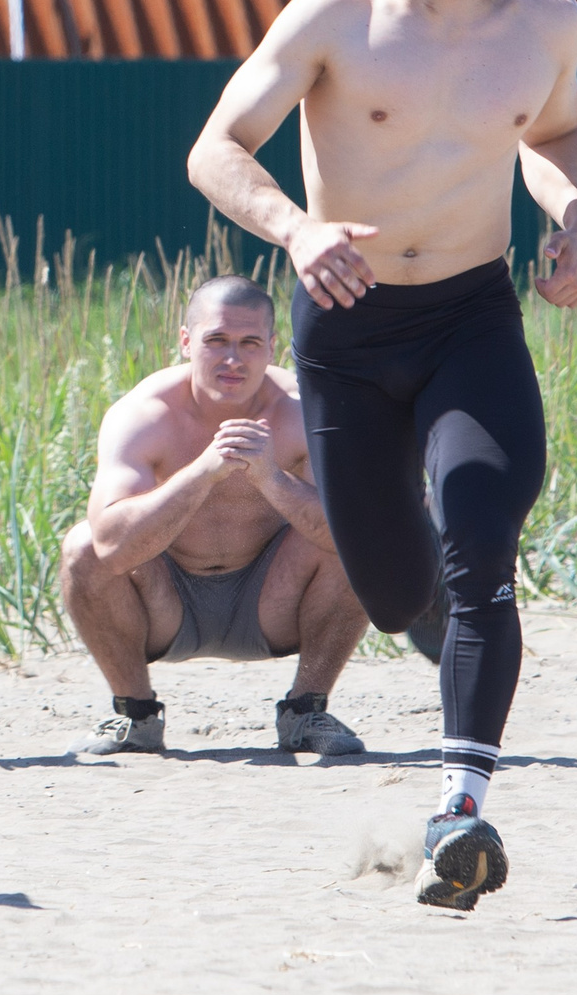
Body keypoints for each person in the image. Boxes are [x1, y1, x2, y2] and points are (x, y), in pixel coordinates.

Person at [187, 0, 577, 912]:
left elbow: (557, 134)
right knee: (390, 585)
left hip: (471, 315)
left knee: (481, 538)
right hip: (349, 330)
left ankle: (460, 811)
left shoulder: (545, 21)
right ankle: (421, 584)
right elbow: (216, 147)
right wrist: (296, 228)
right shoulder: (335, 14)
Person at [60, 275, 371, 758]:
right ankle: (136, 716)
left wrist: (271, 479)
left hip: (274, 602)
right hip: (164, 604)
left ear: (272, 347)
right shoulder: (143, 414)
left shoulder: (304, 411)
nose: (233, 359)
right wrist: (201, 473)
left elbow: (355, 539)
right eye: (217, 341)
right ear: (186, 342)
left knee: (357, 539)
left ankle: (306, 710)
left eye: (249, 343)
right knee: (81, 546)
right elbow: (110, 548)